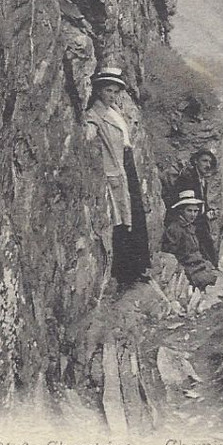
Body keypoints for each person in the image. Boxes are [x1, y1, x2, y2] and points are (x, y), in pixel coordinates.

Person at [85, 67, 151, 289]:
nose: (112, 95)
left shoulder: (114, 111)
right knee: (121, 221)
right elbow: (89, 129)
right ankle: (125, 274)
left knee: (135, 216)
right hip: (114, 168)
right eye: (108, 91)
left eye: (115, 91)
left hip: (126, 165)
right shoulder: (96, 114)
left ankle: (138, 267)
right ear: (98, 91)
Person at [162, 148, 219, 265]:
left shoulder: (203, 181)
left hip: (199, 221)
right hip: (188, 223)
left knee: (208, 252)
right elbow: (181, 201)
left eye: (210, 162)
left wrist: (209, 212)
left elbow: (202, 203)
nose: (208, 165)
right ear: (196, 161)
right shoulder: (187, 178)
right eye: (204, 161)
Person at [160, 191, 218, 290]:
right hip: (189, 271)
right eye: (189, 211)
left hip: (199, 267)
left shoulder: (191, 227)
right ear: (181, 211)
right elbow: (171, 255)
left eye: (195, 211)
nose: (193, 214)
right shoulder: (175, 229)